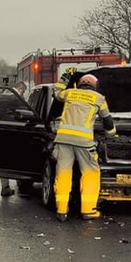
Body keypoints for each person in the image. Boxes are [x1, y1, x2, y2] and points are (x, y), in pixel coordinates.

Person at [52, 73, 116, 222]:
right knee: (90, 174)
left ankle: (61, 210)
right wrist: (111, 135)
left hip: (63, 139)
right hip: (83, 142)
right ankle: (88, 211)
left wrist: (65, 78)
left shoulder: (70, 93)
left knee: (63, 173)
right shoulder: (99, 98)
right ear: (95, 86)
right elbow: (108, 121)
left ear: (79, 84)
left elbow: (56, 93)